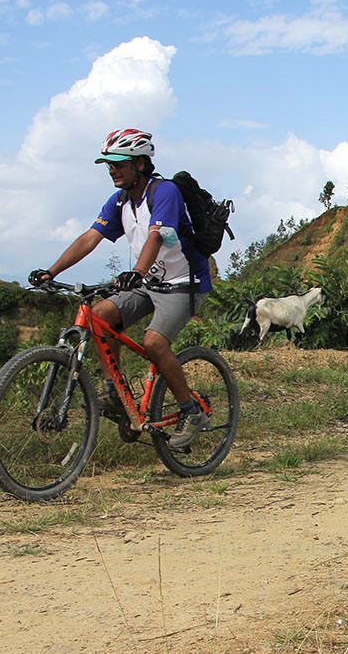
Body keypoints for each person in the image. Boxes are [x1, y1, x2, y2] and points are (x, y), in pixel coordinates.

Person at [29, 128, 212, 447]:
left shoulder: (165, 192)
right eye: (109, 165)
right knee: (98, 316)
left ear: (140, 164)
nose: (112, 170)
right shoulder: (119, 202)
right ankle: (115, 392)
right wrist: (51, 270)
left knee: (154, 343)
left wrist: (138, 272)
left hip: (184, 284)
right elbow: (89, 238)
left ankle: (190, 410)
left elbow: (157, 235)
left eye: (119, 164)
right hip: (148, 282)